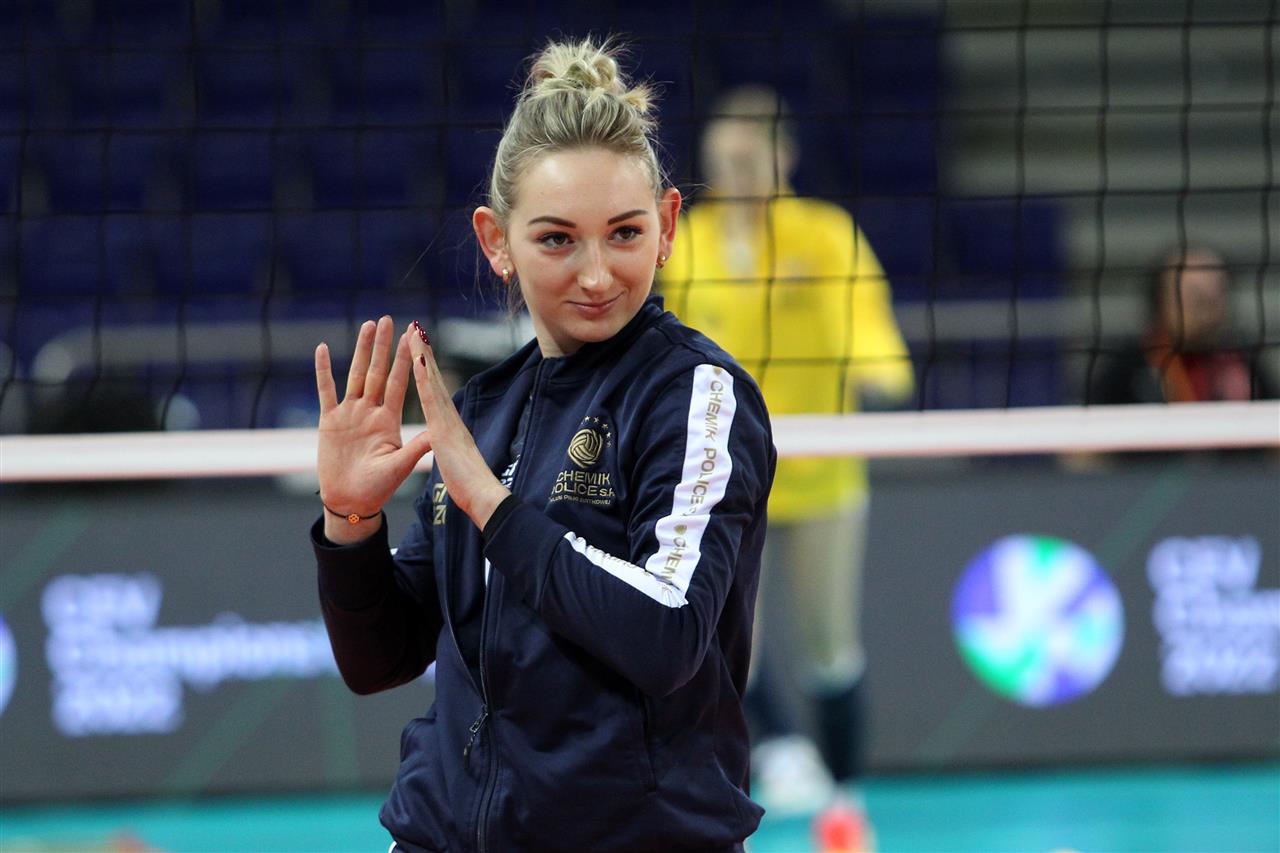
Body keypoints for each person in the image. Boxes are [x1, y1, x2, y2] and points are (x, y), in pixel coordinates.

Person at [309, 39, 776, 853]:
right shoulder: (482, 410)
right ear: (496, 241)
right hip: (440, 833)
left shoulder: (696, 396)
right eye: (558, 239)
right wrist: (350, 521)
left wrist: (493, 507)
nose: (596, 274)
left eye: (624, 233)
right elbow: (381, 659)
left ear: (667, 225)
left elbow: (667, 635)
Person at [661, 86, 914, 853]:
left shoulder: (826, 235)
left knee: (830, 647)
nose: (735, 171)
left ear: (784, 156)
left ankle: (845, 801)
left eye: (749, 157)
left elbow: (873, 333)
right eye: (723, 158)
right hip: (731, 477)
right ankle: (761, 765)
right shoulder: (688, 243)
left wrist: (881, 373)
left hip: (824, 471)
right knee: (722, 644)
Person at [1089, 244, 1277, 404]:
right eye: (1195, 298)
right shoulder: (1128, 367)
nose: (1207, 312)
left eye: (1215, 296)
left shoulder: (1244, 363)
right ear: (1161, 301)